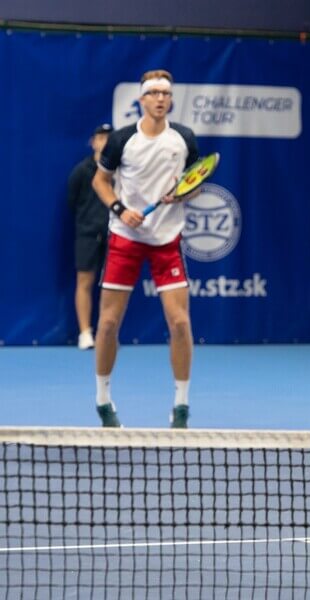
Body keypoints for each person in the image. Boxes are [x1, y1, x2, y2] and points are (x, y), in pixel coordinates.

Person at [91, 69, 200, 429]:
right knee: (107, 324)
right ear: (141, 99)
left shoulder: (184, 138)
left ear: (170, 99)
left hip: (167, 240)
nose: (159, 98)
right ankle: (103, 398)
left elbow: (195, 183)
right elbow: (100, 181)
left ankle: (181, 405)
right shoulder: (122, 140)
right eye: (152, 92)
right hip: (125, 238)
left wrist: (183, 193)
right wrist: (121, 209)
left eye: (165, 93)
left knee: (180, 323)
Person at [67, 123, 113, 349]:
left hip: (115, 234)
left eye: (109, 138)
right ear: (93, 142)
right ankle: (85, 333)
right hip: (87, 234)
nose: (104, 142)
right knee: (84, 282)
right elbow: (72, 201)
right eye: (100, 138)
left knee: (113, 285)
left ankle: (107, 332)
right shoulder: (81, 171)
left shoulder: (121, 171)